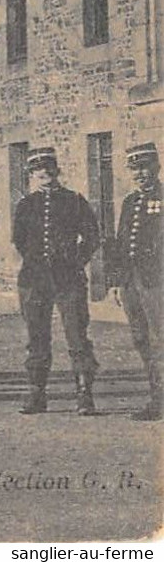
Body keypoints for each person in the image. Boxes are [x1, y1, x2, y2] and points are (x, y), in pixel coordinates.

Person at [14, 147, 102, 415]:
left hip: (68, 280)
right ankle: (37, 393)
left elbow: (91, 237)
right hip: (35, 279)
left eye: (49, 168)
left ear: (57, 170)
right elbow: (19, 239)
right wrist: (36, 261)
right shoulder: (25, 205)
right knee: (37, 336)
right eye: (39, 171)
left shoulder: (74, 201)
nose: (45, 174)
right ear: (32, 175)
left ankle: (84, 394)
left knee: (77, 336)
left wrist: (75, 261)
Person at [109, 142, 163, 420]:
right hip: (132, 282)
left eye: (144, 167)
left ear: (156, 167)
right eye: (135, 169)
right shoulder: (130, 202)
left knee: (160, 338)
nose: (140, 174)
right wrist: (118, 282)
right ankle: (157, 396)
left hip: (157, 283)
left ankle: (160, 400)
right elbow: (121, 244)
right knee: (141, 338)